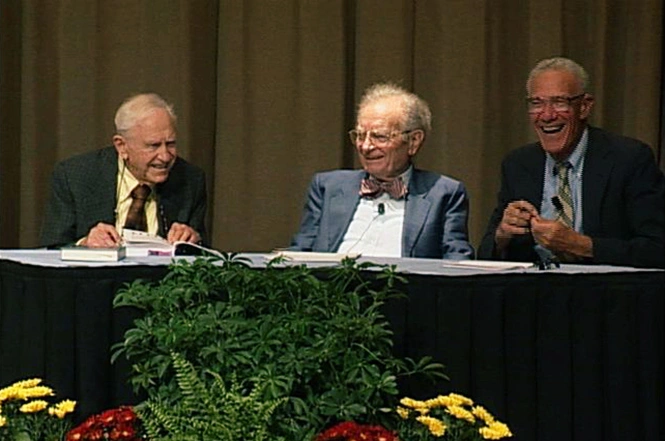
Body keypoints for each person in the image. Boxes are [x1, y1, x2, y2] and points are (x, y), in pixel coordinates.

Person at [478, 57, 664, 268]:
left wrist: (581, 245)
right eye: (537, 104)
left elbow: (656, 249)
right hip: (532, 293)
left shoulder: (628, 159)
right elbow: (484, 254)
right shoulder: (518, 164)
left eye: (559, 102)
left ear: (584, 107)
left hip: (603, 293)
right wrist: (502, 235)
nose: (547, 116)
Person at [290, 82, 474, 259]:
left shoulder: (443, 193)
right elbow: (300, 252)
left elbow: (456, 261)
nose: (365, 146)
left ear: (413, 141)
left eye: (379, 136)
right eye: (360, 136)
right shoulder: (327, 187)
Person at [40, 93, 208, 248]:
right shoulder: (74, 176)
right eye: (153, 146)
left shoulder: (191, 181)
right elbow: (51, 248)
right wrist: (84, 244)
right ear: (122, 146)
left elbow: (204, 261)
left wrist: (192, 243)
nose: (165, 156)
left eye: (170, 144)